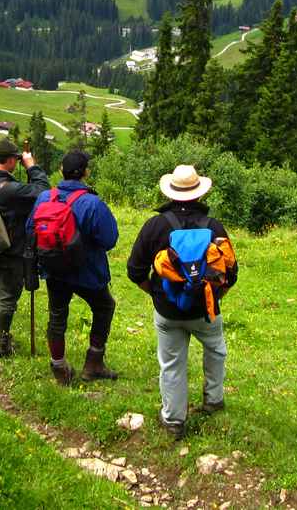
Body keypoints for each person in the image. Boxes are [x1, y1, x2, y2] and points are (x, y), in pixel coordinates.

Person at [126, 165, 238, 439]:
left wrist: (155, 293)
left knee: (172, 363)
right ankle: (213, 401)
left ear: (172, 193)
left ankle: (173, 420)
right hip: (205, 310)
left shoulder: (155, 225)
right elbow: (231, 273)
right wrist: (214, 296)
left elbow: (134, 270)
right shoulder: (214, 227)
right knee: (216, 350)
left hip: (167, 311)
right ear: (199, 194)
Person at [27, 150, 120, 385]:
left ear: (61, 170)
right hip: (87, 271)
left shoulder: (44, 198)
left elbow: (31, 230)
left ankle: (59, 368)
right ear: (86, 172)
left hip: (54, 269)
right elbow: (109, 240)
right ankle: (93, 363)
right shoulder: (92, 203)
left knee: (57, 315)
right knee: (104, 306)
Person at [0, 137, 49, 359]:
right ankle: (1, 345)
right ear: (9, 160)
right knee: (7, 298)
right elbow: (44, 191)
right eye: (15, 159)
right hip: (12, 250)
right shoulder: (11, 189)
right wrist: (32, 166)